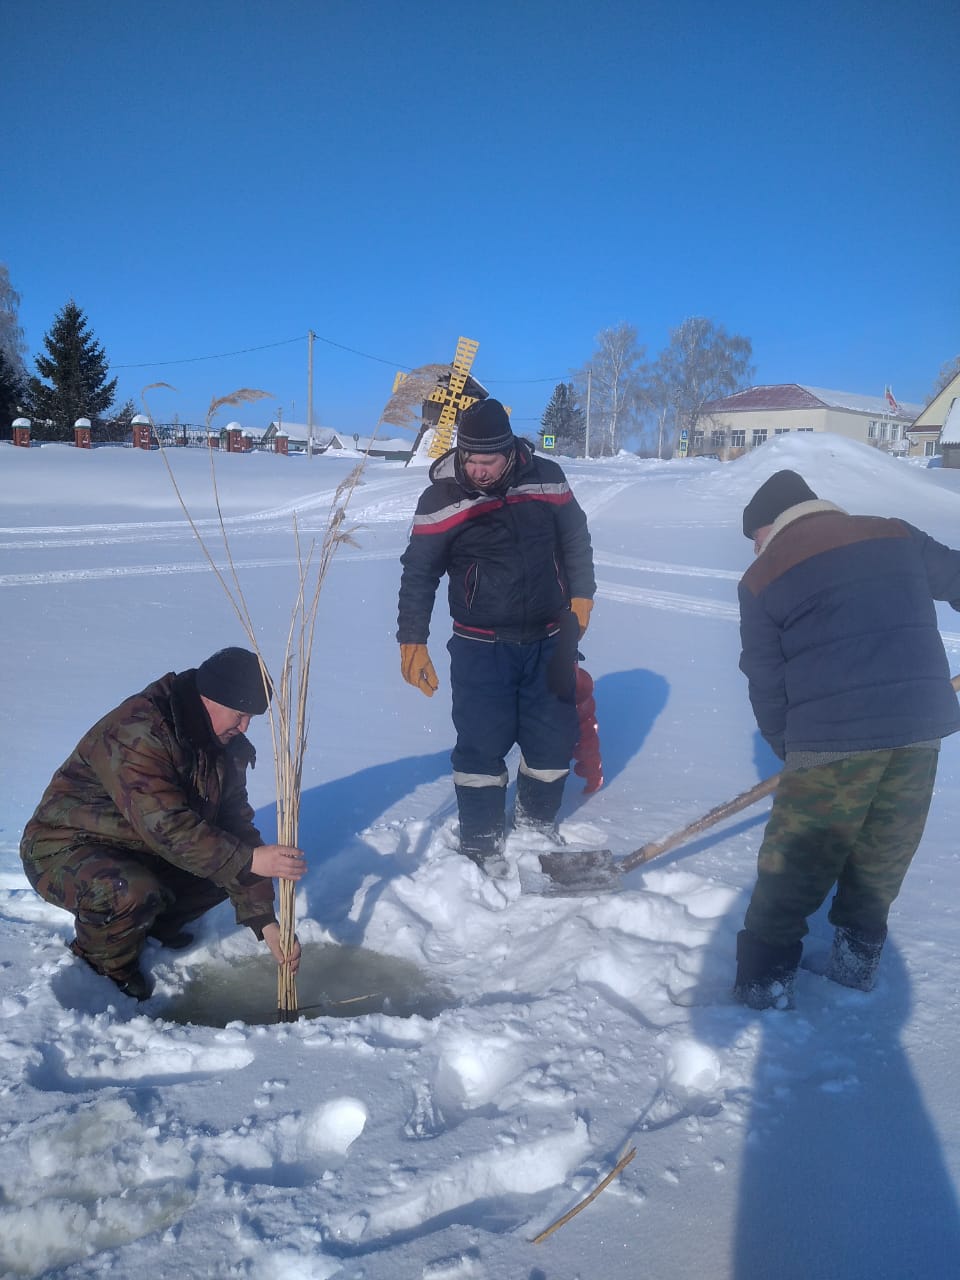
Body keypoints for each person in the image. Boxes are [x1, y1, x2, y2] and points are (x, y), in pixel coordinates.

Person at [734, 469, 960, 1009]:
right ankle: (856, 967)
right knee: (884, 852)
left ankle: (763, 986)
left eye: (755, 540)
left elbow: (766, 678)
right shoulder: (895, 533)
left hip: (831, 736)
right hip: (920, 726)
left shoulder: (763, 576)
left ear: (771, 526)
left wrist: (788, 746)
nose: (755, 551)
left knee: (795, 863)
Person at [20, 647, 306, 1001]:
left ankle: (149, 928)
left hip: (139, 848)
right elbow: (167, 828)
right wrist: (248, 860)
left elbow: (235, 826)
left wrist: (265, 920)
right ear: (210, 698)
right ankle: (105, 972)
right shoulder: (141, 730)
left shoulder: (224, 744)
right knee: (131, 891)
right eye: (240, 714)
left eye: (251, 718)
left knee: (222, 867)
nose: (244, 727)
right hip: (65, 848)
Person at [397, 397, 596, 874]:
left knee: (551, 740)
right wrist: (412, 639)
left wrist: (582, 596)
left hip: (550, 636)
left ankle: (534, 826)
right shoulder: (441, 498)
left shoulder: (546, 477)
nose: (480, 471)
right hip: (479, 645)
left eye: (489, 461)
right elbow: (419, 572)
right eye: (471, 460)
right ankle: (481, 841)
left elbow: (574, 537)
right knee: (481, 745)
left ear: (510, 452)